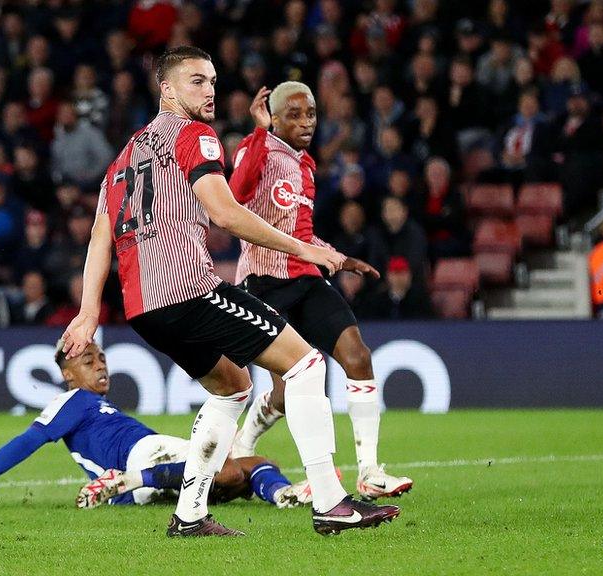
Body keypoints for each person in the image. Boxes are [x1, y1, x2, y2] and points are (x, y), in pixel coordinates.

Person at [59, 47, 398, 537]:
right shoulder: (195, 135)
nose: (210, 90)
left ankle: (190, 515)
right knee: (306, 365)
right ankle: (331, 502)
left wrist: (90, 309)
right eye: (197, 81)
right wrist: (306, 249)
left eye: (213, 80)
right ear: (168, 90)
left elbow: (100, 234)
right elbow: (226, 212)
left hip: (143, 308)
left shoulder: (123, 157)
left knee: (233, 386)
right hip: (187, 288)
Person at [228, 81, 414, 500]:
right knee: (285, 389)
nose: (306, 121)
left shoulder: (307, 165)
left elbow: (303, 234)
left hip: (307, 280)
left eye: (310, 113)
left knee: (357, 356)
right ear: (272, 117)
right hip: (263, 285)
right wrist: (258, 133)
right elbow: (234, 196)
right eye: (293, 114)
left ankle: (369, 471)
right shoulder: (254, 150)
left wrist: (342, 259)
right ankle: (245, 448)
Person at [0, 341, 309, 511]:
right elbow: (28, 440)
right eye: (88, 361)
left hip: (142, 475)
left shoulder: (98, 406)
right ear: (68, 375)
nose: (100, 365)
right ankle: (131, 481)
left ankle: (282, 496)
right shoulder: (73, 401)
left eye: (101, 357)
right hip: (141, 457)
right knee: (230, 472)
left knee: (255, 469)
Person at [357, 256, 436, 320]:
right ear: (388, 276)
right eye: (396, 273)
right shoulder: (376, 301)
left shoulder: (420, 300)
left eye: (403, 273)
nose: (399, 278)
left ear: (409, 275)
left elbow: (429, 322)